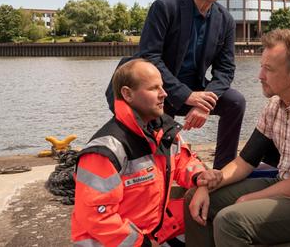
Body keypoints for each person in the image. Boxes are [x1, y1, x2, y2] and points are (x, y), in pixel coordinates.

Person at [184, 29, 290, 246]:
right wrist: (209, 183)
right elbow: (245, 162)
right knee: (194, 198)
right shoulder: (275, 104)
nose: (260, 76)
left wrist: (248, 200)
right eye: (261, 67)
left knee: (231, 222)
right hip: (286, 183)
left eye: (268, 69)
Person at [106, 0, 245, 169]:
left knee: (235, 102)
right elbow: (150, 56)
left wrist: (205, 103)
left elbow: (225, 69)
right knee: (159, 150)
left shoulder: (225, 20)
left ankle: (222, 171)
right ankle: (140, 166)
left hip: (194, 87)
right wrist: (187, 96)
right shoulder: (165, 7)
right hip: (154, 86)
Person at [72, 59, 221, 246]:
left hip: (151, 231)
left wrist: (200, 176)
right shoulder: (105, 151)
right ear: (127, 94)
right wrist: (141, 243)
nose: (164, 94)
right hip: (116, 241)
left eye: (162, 87)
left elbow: (183, 161)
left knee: (216, 209)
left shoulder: (162, 131)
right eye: (153, 88)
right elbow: (97, 217)